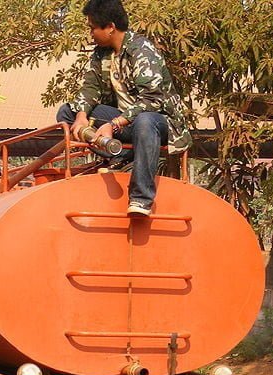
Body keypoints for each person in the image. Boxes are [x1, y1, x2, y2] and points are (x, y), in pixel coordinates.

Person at [56, 0, 192, 216]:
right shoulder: (102, 54)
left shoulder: (141, 50)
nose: (90, 33)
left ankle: (141, 198)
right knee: (67, 112)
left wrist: (113, 123)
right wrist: (81, 116)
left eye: (92, 27)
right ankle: (116, 153)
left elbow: (152, 100)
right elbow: (90, 87)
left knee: (145, 120)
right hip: (125, 121)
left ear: (110, 27)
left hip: (160, 122)